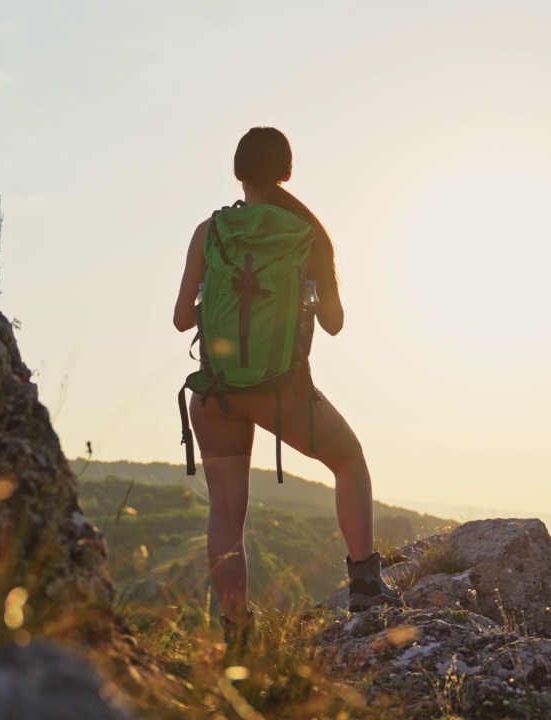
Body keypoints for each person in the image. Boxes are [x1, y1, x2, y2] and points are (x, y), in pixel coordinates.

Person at [172, 127, 402, 647]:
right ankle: (365, 583)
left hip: (216, 392)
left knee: (226, 512)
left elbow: (182, 319)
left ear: (237, 172)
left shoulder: (209, 232)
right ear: (287, 171)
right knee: (349, 459)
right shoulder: (305, 234)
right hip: (282, 393)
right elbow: (336, 324)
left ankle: (238, 636)